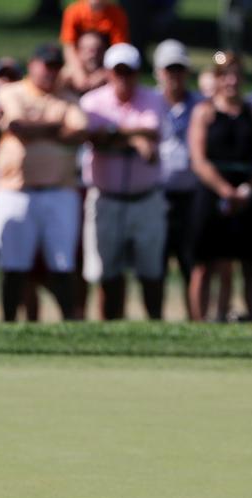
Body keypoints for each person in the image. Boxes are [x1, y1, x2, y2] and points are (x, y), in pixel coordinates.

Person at [0, 43, 88, 322]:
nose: (50, 72)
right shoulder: (11, 91)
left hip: (59, 190)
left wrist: (36, 128)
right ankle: (9, 325)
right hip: (16, 189)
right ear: (32, 64)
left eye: (56, 66)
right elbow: (17, 126)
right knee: (14, 265)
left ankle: (70, 325)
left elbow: (79, 132)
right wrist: (56, 126)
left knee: (62, 264)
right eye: (46, 65)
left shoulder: (68, 98)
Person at [79, 43, 168, 320]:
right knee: (108, 274)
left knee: (151, 273)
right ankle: (110, 331)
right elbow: (95, 138)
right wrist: (134, 138)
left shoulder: (153, 98)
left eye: (129, 72)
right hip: (106, 198)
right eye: (118, 72)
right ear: (108, 73)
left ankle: (155, 328)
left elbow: (152, 133)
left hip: (146, 198)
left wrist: (114, 134)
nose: (124, 78)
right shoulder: (92, 102)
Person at [187, 51, 252, 322]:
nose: (231, 81)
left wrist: (248, 189)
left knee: (249, 264)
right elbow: (199, 160)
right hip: (212, 196)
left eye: (236, 75)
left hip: (247, 198)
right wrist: (225, 190)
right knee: (204, 264)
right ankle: (200, 323)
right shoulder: (205, 112)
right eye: (225, 75)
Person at [153, 39, 202, 318]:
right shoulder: (148, 102)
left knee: (191, 263)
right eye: (168, 69)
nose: (174, 75)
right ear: (158, 72)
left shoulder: (201, 104)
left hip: (191, 195)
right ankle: (156, 324)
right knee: (155, 265)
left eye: (179, 69)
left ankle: (196, 321)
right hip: (157, 195)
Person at [60, 0, 128, 79]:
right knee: (64, 75)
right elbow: (69, 47)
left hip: (105, 66)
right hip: (79, 64)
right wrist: (79, 74)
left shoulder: (117, 15)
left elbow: (119, 52)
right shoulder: (74, 11)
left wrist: (100, 75)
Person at [61, 30, 107, 97]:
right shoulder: (65, 78)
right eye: (89, 50)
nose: (94, 54)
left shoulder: (112, 77)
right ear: (78, 52)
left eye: (98, 49)